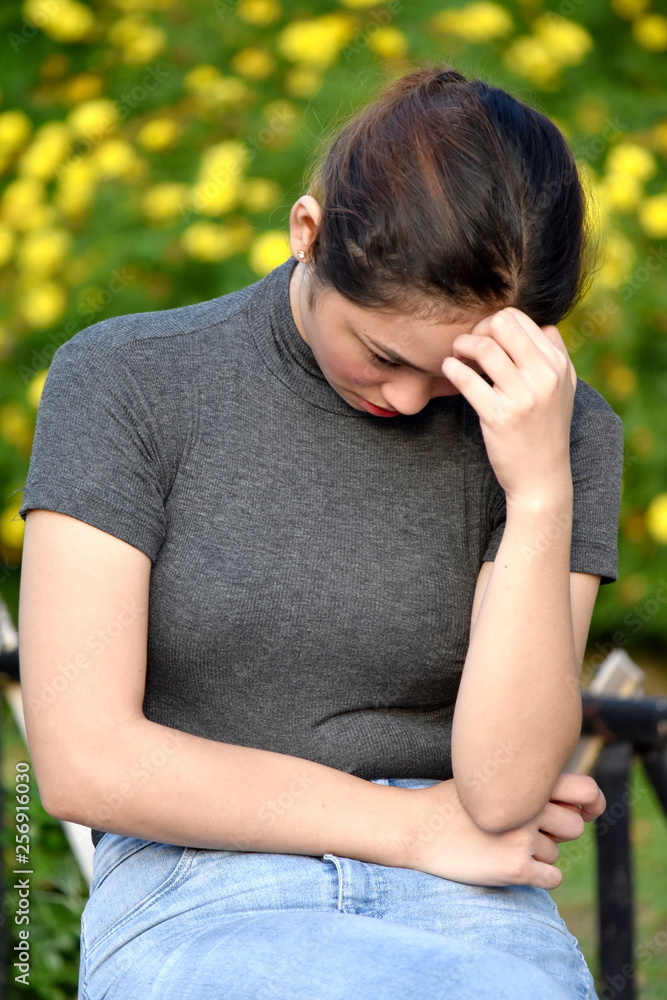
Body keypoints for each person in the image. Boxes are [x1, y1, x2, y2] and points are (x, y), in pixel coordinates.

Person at [16, 64, 623, 1000]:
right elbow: (83, 760)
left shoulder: (555, 429)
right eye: (382, 353)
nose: (410, 399)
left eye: (455, 375)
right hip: (203, 874)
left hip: (466, 895)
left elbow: (504, 791)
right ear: (307, 233)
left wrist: (539, 492)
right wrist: (407, 827)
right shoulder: (129, 381)